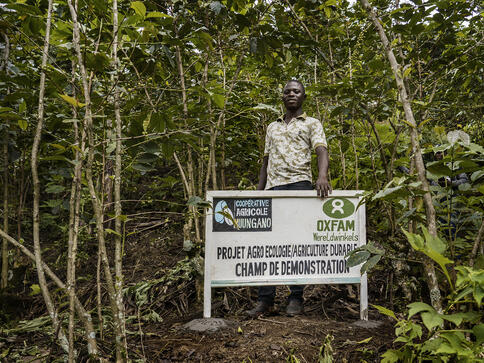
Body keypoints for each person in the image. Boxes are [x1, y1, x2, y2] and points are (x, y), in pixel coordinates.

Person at [247, 80, 331, 317]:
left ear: (304, 96)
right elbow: (266, 159)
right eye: (287, 92)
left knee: (297, 242)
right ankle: (266, 300)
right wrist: (259, 192)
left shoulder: (311, 123)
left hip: (299, 186)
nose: (291, 94)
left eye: (296, 91)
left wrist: (322, 176)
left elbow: (321, 150)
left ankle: (296, 297)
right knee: (268, 245)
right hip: (273, 188)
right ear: (282, 97)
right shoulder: (272, 127)